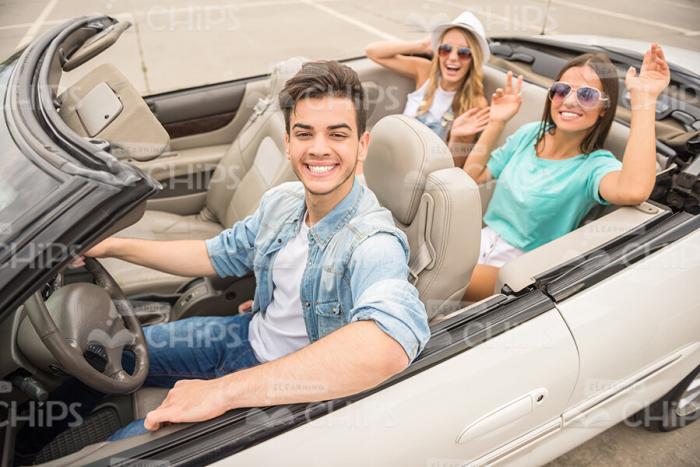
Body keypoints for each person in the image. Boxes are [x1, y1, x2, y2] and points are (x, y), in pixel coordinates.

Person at [78, 60, 430, 440]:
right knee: (101, 353)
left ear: (362, 145)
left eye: (337, 134)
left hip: (286, 389)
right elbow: (210, 255)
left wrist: (223, 391)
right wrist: (113, 246)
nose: (319, 149)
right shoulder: (282, 202)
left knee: (122, 449)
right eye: (305, 133)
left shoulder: (373, 240)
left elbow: (386, 345)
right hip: (244, 335)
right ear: (288, 143)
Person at [461, 44, 670, 301]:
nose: (569, 101)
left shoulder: (595, 166)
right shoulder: (530, 134)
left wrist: (645, 99)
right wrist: (496, 122)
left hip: (518, 271)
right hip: (480, 241)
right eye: (561, 90)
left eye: (587, 95)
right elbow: (471, 178)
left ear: (604, 107)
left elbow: (634, 189)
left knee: (437, 275)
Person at [365, 11, 490, 164]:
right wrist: (421, 45)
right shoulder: (426, 71)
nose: (452, 57)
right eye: (445, 49)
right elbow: (373, 52)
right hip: (391, 155)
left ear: (474, 59)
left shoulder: (475, 103)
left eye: (463, 53)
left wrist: (457, 137)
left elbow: (454, 167)